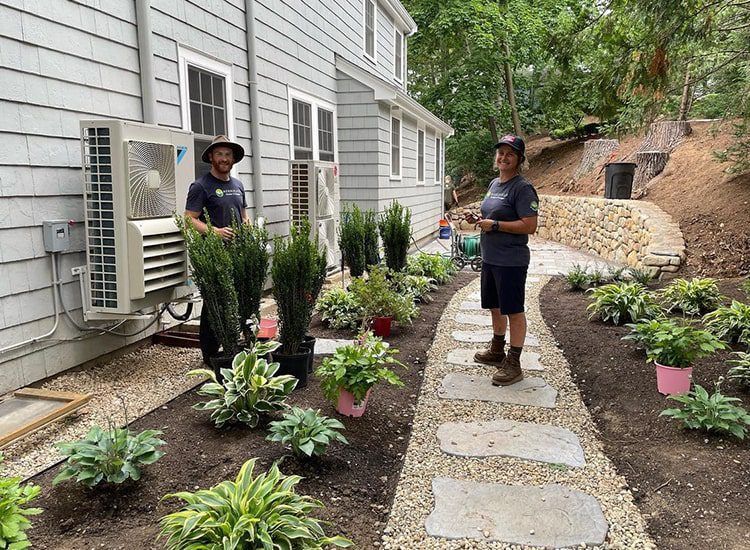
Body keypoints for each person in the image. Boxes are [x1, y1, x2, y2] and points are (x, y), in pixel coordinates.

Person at [473, 135, 539, 386]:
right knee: (495, 306)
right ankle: (497, 349)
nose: (503, 157)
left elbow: (529, 225)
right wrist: (479, 220)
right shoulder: (494, 184)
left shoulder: (522, 188)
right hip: (491, 257)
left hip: (511, 260)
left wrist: (497, 225)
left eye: (510, 153)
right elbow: (490, 214)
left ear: (519, 159)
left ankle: (514, 362)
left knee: (514, 310)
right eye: (500, 152)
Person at [184, 135, 249, 364]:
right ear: (211, 157)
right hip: (213, 255)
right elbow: (189, 219)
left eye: (228, 155)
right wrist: (215, 232)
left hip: (238, 254)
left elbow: (243, 216)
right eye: (219, 154)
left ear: (233, 159)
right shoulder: (201, 186)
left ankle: (234, 345)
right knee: (214, 302)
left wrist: (248, 231)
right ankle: (210, 355)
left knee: (238, 298)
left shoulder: (238, 185)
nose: (224, 158)